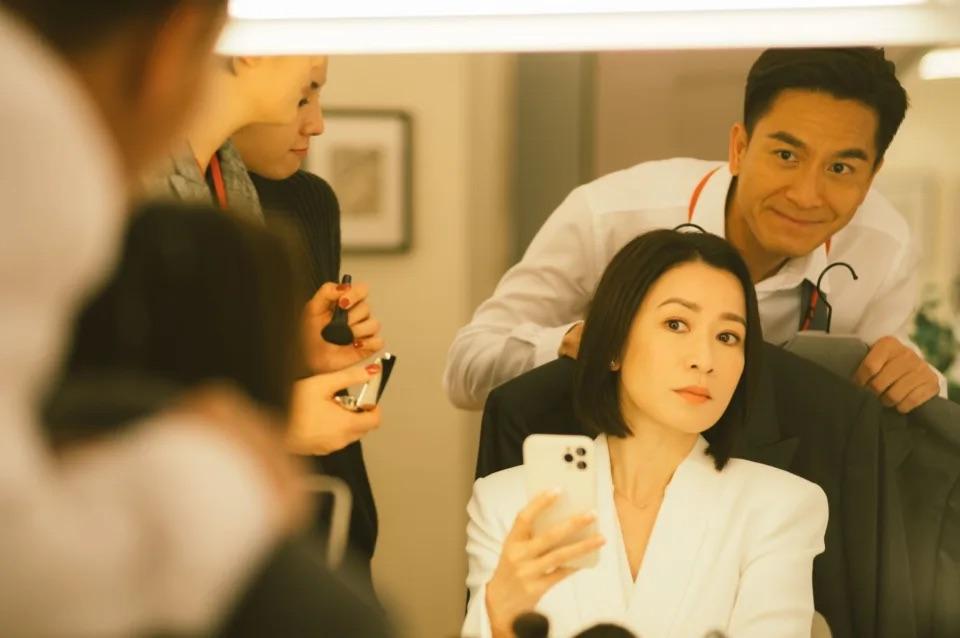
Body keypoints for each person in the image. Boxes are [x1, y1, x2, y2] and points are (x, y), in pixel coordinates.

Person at [0, 2, 386, 636]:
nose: (313, 118)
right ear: (173, 44)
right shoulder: (44, 185)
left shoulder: (230, 181)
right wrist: (250, 447)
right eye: (310, 87)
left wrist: (293, 355)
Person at [445, 47, 943, 415]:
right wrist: (576, 344)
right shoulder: (610, 216)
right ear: (739, 148)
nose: (806, 195)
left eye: (840, 168)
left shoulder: (885, 247)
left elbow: (897, 382)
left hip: (783, 498)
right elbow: (467, 369)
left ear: (872, 175)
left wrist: (919, 380)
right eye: (786, 155)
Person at [463, 230, 828, 638]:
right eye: (676, 324)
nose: (704, 359)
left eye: (727, 337)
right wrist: (499, 619)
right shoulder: (505, 502)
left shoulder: (780, 506)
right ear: (613, 345)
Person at [232, 57, 383, 594]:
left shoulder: (310, 200)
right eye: (301, 98)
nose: (316, 124)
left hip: (327, 485)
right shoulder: (173, 200)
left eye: (317, 96)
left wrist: (318, 348)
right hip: (239, 501)